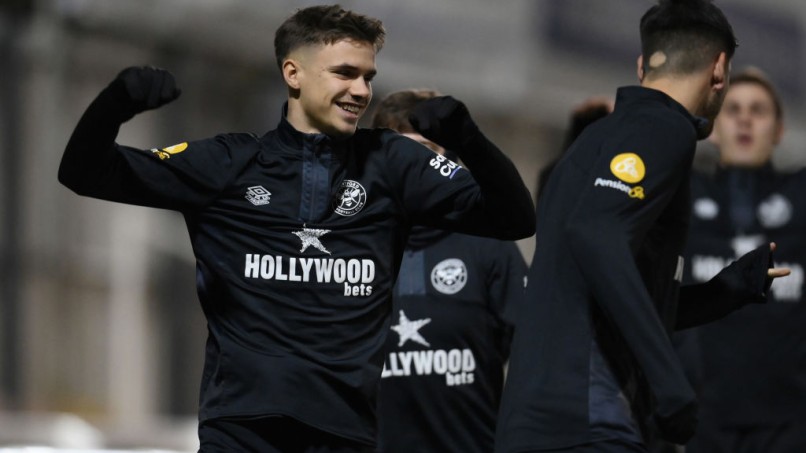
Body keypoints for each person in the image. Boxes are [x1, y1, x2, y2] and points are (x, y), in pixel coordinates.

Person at [57, 5, 535, 452]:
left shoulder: (392, 162)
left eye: (368, 77)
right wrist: (115, 103)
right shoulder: (230, 164)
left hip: (345, 430)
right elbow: (83, 172)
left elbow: (515, 217)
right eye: (344, 73)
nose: (361, 91)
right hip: (242, 427)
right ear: (293, 73)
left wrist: (468, 140)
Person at [495, 1, 789, 451]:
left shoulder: (595, 141)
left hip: (536, 419)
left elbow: (602, 286)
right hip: (587, 417)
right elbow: (596, 235)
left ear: (641, 66)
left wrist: (725, 291)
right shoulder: (664, 127)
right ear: (719, 69)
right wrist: (670, 382)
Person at [371, 89, 529, 453]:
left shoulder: (488, 243)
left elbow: (534, 352)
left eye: (426, 152)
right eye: (399, 151)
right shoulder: (348, 245)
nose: (412, 165)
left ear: (448, 159)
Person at [681, 68, 806, 452]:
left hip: (788, 423)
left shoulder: (801, 196)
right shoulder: (682, 193)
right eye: (732, 109)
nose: (745, 118)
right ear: (713, 128)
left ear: (779, 129)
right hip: (703, 419)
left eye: (758, 109)